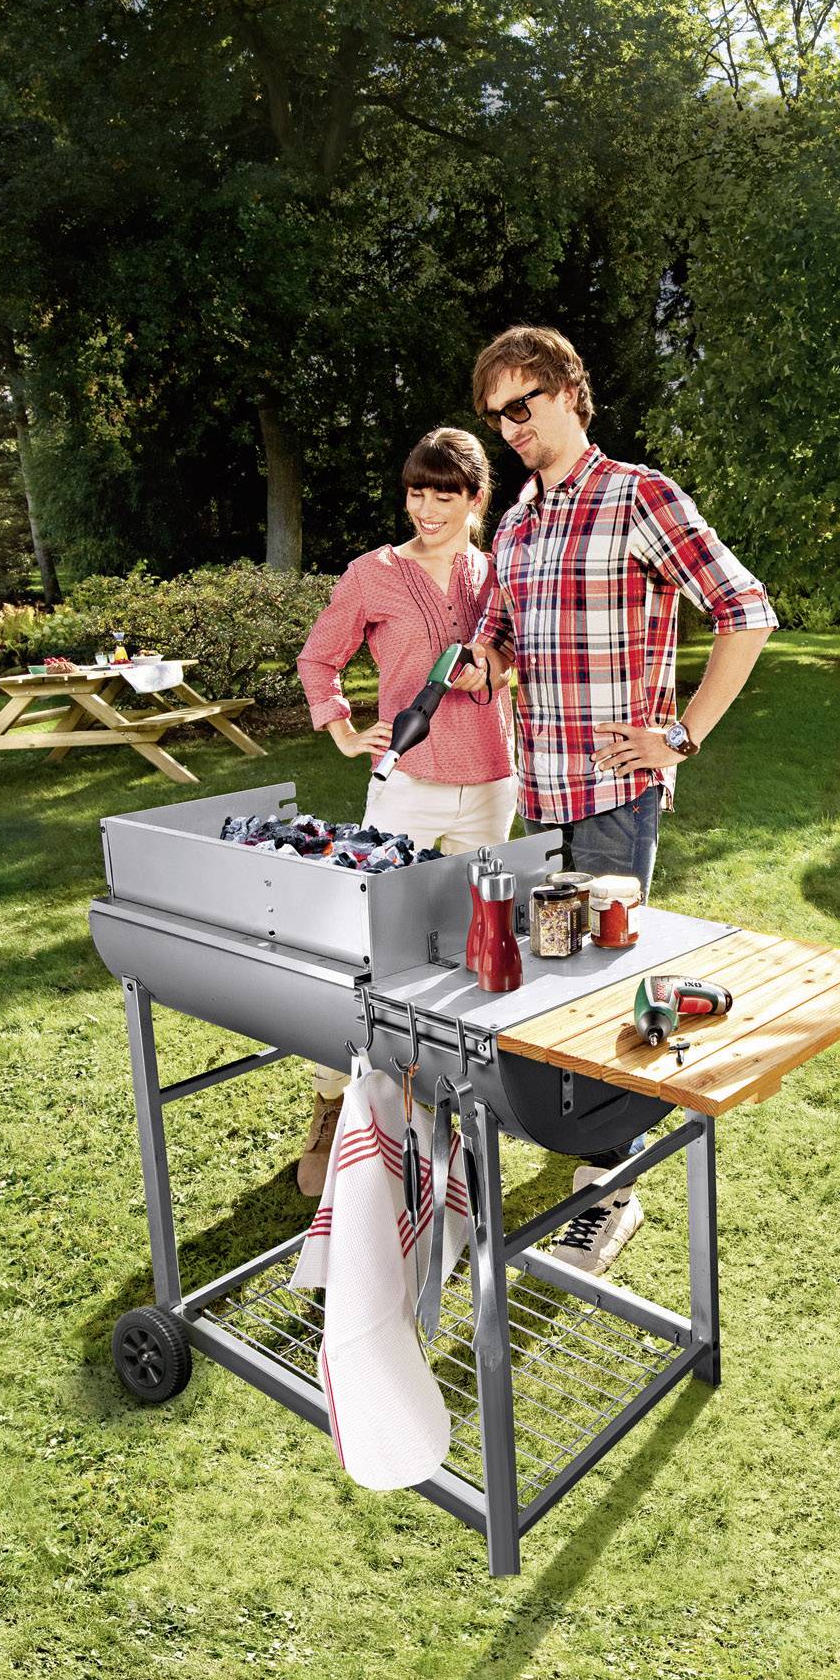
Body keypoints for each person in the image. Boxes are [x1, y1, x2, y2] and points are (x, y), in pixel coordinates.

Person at [468, 324, 776, 1272]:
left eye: (523, 405)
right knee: (555, 982)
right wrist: (483, 660)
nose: (510, 427)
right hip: (540, 789)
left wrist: (680, 734)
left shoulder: (639, 495)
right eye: (496, 415)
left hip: (612, 792)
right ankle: (582, 1141)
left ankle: (612, 1187)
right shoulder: (516, 522)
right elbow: (502, 639)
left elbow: (746, 610)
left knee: (608, 984)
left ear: (569, 391)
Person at [289, 427, 515, 1192]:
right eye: (417, 492)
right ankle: (334, 1100)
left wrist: (495, 671)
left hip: (492, 785)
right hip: (407, 786)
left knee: (468, 952)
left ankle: (449, 1109)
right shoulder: (373, 574)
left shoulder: (500, 572)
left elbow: (519, 660)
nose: (426, 508)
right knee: (372, 951)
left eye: (443, 494)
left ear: (475, 499)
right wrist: (344, 730)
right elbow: (318, 657)